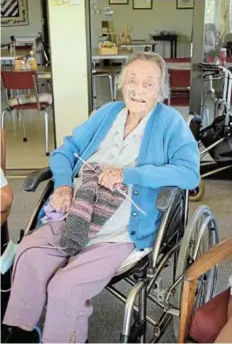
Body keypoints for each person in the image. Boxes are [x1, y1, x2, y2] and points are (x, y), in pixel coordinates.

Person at [3, 52, 200, 343]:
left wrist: (129, 174)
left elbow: (189, 175)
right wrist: (63, 185)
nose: (138, 89)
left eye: (148, 83)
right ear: (122, 85)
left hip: (119, 230)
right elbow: (64, 151)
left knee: (64, 287)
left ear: (161, 92)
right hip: (77, 210)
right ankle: (21, 332)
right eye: (131, 80)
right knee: (29, 253)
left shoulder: (170, 123)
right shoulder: (107, 113)